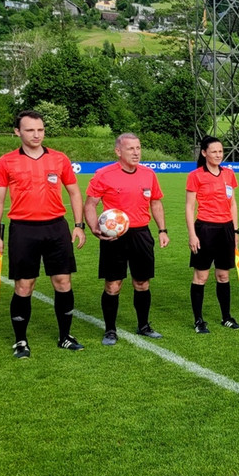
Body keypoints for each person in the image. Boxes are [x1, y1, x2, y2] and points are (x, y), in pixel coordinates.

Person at [0, 109, 86, 358]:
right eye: (30, 130)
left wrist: (79, 225)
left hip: (56, 228)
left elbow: (74, 192)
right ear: (17, 132)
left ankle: (65, 336)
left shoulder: (60, 159)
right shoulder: (6, 161)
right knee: (24, 285)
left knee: (63, 282)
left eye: (40, 129)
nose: (36, 135)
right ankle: (21, 341)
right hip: (23, 229)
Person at [84, 133, 169, 345]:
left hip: (141, 234)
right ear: (118, 151)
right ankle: (110, 330)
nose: (136, 152)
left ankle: (144, 326)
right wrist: (94, 227)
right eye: (130, 148)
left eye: (138, 148)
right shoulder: (104, 174)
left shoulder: (149, 174)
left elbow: (156, 203)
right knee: (113, 285)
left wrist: (162, 230)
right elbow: (90, 204)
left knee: (142, 282)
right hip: (115, 237)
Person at [185, 136, 239, 333]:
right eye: (214, 151)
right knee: (201, 276)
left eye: (220, 151)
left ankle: (226, 317)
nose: (218, 155)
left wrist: (235, 230)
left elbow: (233, 203)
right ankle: (198, 320)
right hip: (205, 229)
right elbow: (189, 207)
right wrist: (192, 234)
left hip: (226, 229)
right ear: (204, 153)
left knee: (223, 275)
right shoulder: (195, 176)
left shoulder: (229, 174)